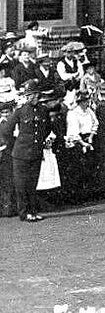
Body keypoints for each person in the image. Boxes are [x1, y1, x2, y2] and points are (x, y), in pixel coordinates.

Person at [0, 79, 51, 222]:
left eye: (35, 94)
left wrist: (40, 142)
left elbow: (47, 129)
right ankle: (24, 213)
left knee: (33, 184)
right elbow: (5, 130)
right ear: (26, 97)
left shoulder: (43, 110)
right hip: (20, 154)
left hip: (35, 152)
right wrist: (16, 143)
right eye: (29, 95)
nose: (33, 97)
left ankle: (33, 211)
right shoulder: (20, 111)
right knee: (21, 185)